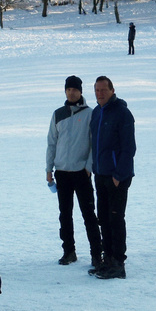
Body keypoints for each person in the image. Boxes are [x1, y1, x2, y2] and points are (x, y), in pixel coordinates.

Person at [47, 75, 99, 267]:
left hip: (81, 172)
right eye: (69, 89)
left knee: (88, 214)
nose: (72, 92)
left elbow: (95, 143)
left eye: (75, 89)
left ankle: (96, 253)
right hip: (62, 172)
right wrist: (48, 169)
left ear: (80, 91)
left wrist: (88, 167)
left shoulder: (90, 113)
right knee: (65, 214)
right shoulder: (58, 113)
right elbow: (51, 143)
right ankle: (69, 251)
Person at [87, 75, 135, 280]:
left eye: (103, 90)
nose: (100, 94)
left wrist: (119, 174)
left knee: (116, 219)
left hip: (117, 176)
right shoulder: (97, 113)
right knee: (104, 220)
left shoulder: (122, 113)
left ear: (112, 90)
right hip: (100, 173)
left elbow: (129, 147)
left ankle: (118, 263)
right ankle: (107, 260)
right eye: (97, 90)